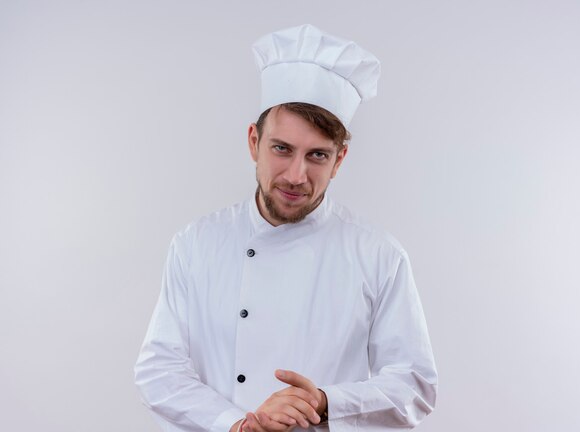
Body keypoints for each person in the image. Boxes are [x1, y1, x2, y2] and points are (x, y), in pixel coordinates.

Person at [134, 24, 437, 432]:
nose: (297, 175)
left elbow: (414, 385)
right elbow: (159, 370)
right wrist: (236, 424)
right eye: (282, 149)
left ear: (340, 159)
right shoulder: (197, 243)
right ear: (253, 142)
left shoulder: (378, 254)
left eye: (317, 155)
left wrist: (325, 402)